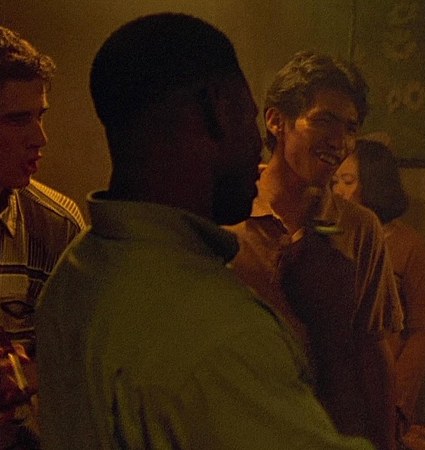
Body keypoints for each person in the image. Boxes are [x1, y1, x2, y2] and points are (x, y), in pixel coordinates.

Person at [35, 13, 372, 449]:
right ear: (217, 109)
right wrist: (331, 334)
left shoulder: (74, 275)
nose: (258, 147)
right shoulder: (220, 331)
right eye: (249, 119)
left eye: (350, 127)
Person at [226, 51, 402, 450]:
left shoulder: (359, 228)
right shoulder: (229, 214)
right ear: (276, 121)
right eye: (324, 120)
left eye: (350, 128)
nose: (339, 141)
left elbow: (373, 351)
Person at [0, 25, 85, 448]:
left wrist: (29, 373)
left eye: (41, 116)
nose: (39, 138)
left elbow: (78, 367)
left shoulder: (57, 225)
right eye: (18, 119)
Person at [331, 138, 425, 426]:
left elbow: (422, 330)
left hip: (384, 383)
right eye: (335, 182)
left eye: (348, 181)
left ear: (373, 184)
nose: (338, 191)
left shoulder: (409, 245)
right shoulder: (330, 239)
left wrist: (397, 397)